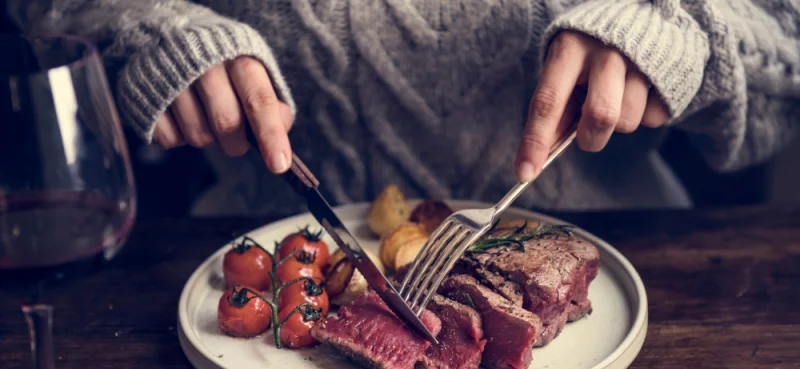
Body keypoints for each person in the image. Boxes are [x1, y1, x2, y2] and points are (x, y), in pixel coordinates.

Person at [8, 1, 800, 215]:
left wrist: (685, 30)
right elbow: (49, 9)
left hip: (632, 289)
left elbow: (786, 45)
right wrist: (151, 31)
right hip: (259, 292)